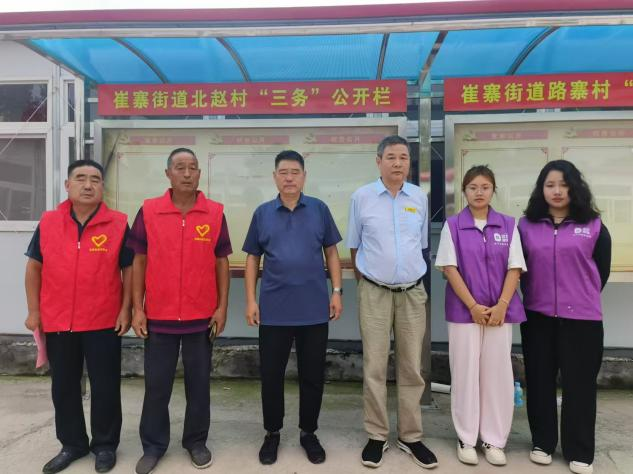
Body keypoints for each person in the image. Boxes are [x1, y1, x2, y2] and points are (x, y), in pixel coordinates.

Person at [24, 159, 133, 474]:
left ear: (102, 187)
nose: (88, 185)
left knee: (105, 386)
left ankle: (105, 445)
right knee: (64, 386)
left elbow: (129, 269)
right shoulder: (49, 222)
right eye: (81, 178)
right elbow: (34, 267)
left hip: (103, 320)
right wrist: (34, 311)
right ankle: (72, 444)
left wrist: (126, 309)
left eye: (95, 179)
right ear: (68, 185)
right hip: (58, 320)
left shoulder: (117, 223)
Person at [128, 148, 232, 474]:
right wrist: (137, 308)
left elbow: (221, 262)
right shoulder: (149, 211)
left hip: (201, 317)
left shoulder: (214, 213)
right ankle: (153, 446)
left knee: (198, 386)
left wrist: (222, 307)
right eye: (180, 167)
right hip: (158, 316)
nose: (187, 173)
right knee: (156, 387)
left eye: (193, 168)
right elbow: (138, 261)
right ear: (168, 174)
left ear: (200, 173)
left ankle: (196, 442)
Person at [243, 150, 343, 465]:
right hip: (274, 311)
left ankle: (308, 432)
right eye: (283, 172)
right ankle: (272, 432)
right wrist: (251, 299)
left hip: (314, 310)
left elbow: (331, 253)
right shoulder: (262, 213)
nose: (289, 178)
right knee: (271, 375)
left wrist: (336, 291)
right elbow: (252, 258)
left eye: (295, 172)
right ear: (275, 177)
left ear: (304, 176)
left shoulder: (319, 209)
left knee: (312, 375)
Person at [346, 135, 437, 469]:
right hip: (374, 292)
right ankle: (377, 435)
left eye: (403, 157)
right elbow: (355, 246)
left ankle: (411, 436)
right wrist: (369, 283)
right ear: (378, 161)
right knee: (374, 365)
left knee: (412, 366)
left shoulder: (419, 197)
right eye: (391, 157)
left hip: (412, 293)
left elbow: (421, 245)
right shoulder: (362, 197)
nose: (398, 163)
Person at [519, 160, 611, 474]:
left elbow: (601, 271)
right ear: (541, 189)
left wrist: (577, 296)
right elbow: (519, 269)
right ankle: (543, 442)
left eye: (564, 185)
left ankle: (579, 450)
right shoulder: (526, 226)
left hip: (583, 320)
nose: (557, 191)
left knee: (580, 385)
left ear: (575, 188)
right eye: (550, 185)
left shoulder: (594, 225)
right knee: (539, 381)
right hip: (538, 316)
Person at [435, 165, 526, 466]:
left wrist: (502, 305)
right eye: (473, 187)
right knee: (465, 373)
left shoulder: (508, 225)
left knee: (497, 374)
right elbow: (449, 268)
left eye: (485, 187)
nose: (479, 192)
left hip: (500, 312)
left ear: (493, 190)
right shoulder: (453, 226)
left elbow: (515, 268)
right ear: (464, 191)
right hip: (465, 312)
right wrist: (473, 306)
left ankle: (494, 440)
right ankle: (466, 437)